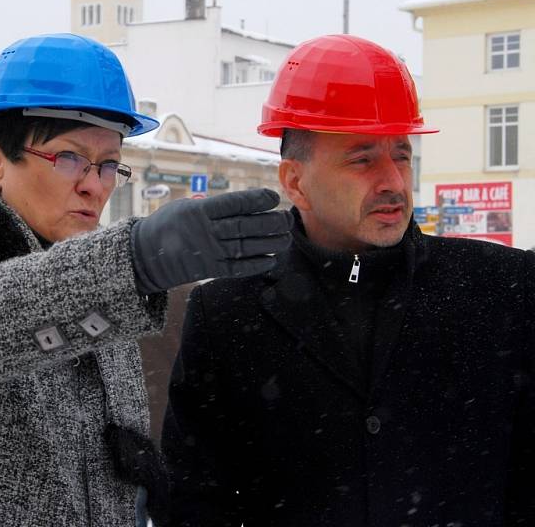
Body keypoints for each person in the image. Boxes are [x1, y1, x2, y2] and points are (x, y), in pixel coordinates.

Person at [0, 33, 293, 527]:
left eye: (110, 164)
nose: (94, 184)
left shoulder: (102, 282)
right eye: (69, 157)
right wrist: (132, 261)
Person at [162, 34, 535, 526]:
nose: (393, 181)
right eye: (363, 159)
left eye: (401, 154)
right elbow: (193, 503)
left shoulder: (502, 288)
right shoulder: (228, 315)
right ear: (295, 181)